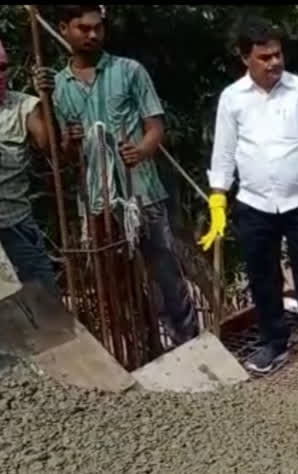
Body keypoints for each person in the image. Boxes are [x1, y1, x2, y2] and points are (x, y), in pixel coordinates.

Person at [33, 4, 199, 346]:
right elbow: (61, 155)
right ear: (64, 29)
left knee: (164, 268)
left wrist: (141, 150)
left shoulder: (129, 71)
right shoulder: (58, 87)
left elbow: (155, 126)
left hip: (143, 192)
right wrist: (68, 139)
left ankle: (188, 338)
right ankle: (142, 342)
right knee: (114, 277)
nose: (92, 34)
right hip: (95, 201)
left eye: (98, 28)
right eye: (83, 28)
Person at [200, 15, 298, 375]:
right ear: (244, 58)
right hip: (254, 204)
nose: (275, 63)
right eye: (265, 57)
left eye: (278, 54)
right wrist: (218, 199)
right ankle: (274, 345)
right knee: (263, 278)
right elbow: (223, 152)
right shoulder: (232, 99)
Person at [0, 38, 60, 297]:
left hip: (15, 224)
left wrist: (47, 99)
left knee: (47, 305)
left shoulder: (25, 106)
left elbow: (51, 147)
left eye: (2, 67)